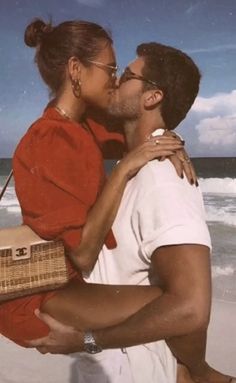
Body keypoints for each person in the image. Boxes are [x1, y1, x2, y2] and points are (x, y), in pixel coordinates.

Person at [28, 42, 236, 383]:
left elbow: (190, 308)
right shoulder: (138, 166)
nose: (114, 82)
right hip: (112, 365)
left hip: (136, 369)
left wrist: (87, 341)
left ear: (152, 97)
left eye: (125, 75)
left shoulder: (164, 176)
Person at [0, 17, 196, 372]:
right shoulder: (49, 139)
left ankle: (190, 373)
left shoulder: (83, 127)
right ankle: (199, 374)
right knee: (179, 304)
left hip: (71, 281)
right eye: (110, 68)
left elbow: (145, 132)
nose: (115, 79)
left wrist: (171, 142)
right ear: (76, 70)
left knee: (178, 306)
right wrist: (125, 167)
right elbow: (84, 254)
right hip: (46, 289)